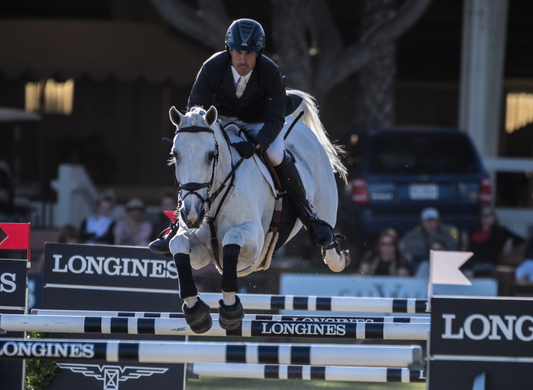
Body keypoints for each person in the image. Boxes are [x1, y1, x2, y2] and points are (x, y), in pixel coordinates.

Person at [150, 18, 334, 256]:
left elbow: (276, 120)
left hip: (260, 121)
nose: (243, 59)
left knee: (276, 154)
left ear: (258, 53)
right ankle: (178, 226)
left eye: (249, 53)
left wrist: (258, 144)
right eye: (238, 52)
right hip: (222, 120)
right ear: (229, 50)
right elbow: (196, 107)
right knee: (195, 156)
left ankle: (309, 216)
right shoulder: (212, 67)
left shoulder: (270, 72)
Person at [461, 205, 525, 276]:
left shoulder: (500, 231)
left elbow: (521, 239)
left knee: (468, 270)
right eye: (486, 215)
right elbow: (466, 247)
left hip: (487, 263)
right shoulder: (474, 231)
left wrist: (510, 240)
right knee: (462, 267)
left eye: (492, 214)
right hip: (471, 261)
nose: (490, 217)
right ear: (480, 218)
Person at [400, 207, 458, 273]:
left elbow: (453, 253)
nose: (430, 224)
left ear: (438, 221)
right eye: (427, 221)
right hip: (418, 265)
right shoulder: (413, 236)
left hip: (442, 266)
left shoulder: (446, 237)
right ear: (422, 222)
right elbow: (402, 246)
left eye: (433, 220)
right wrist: (407, 255)